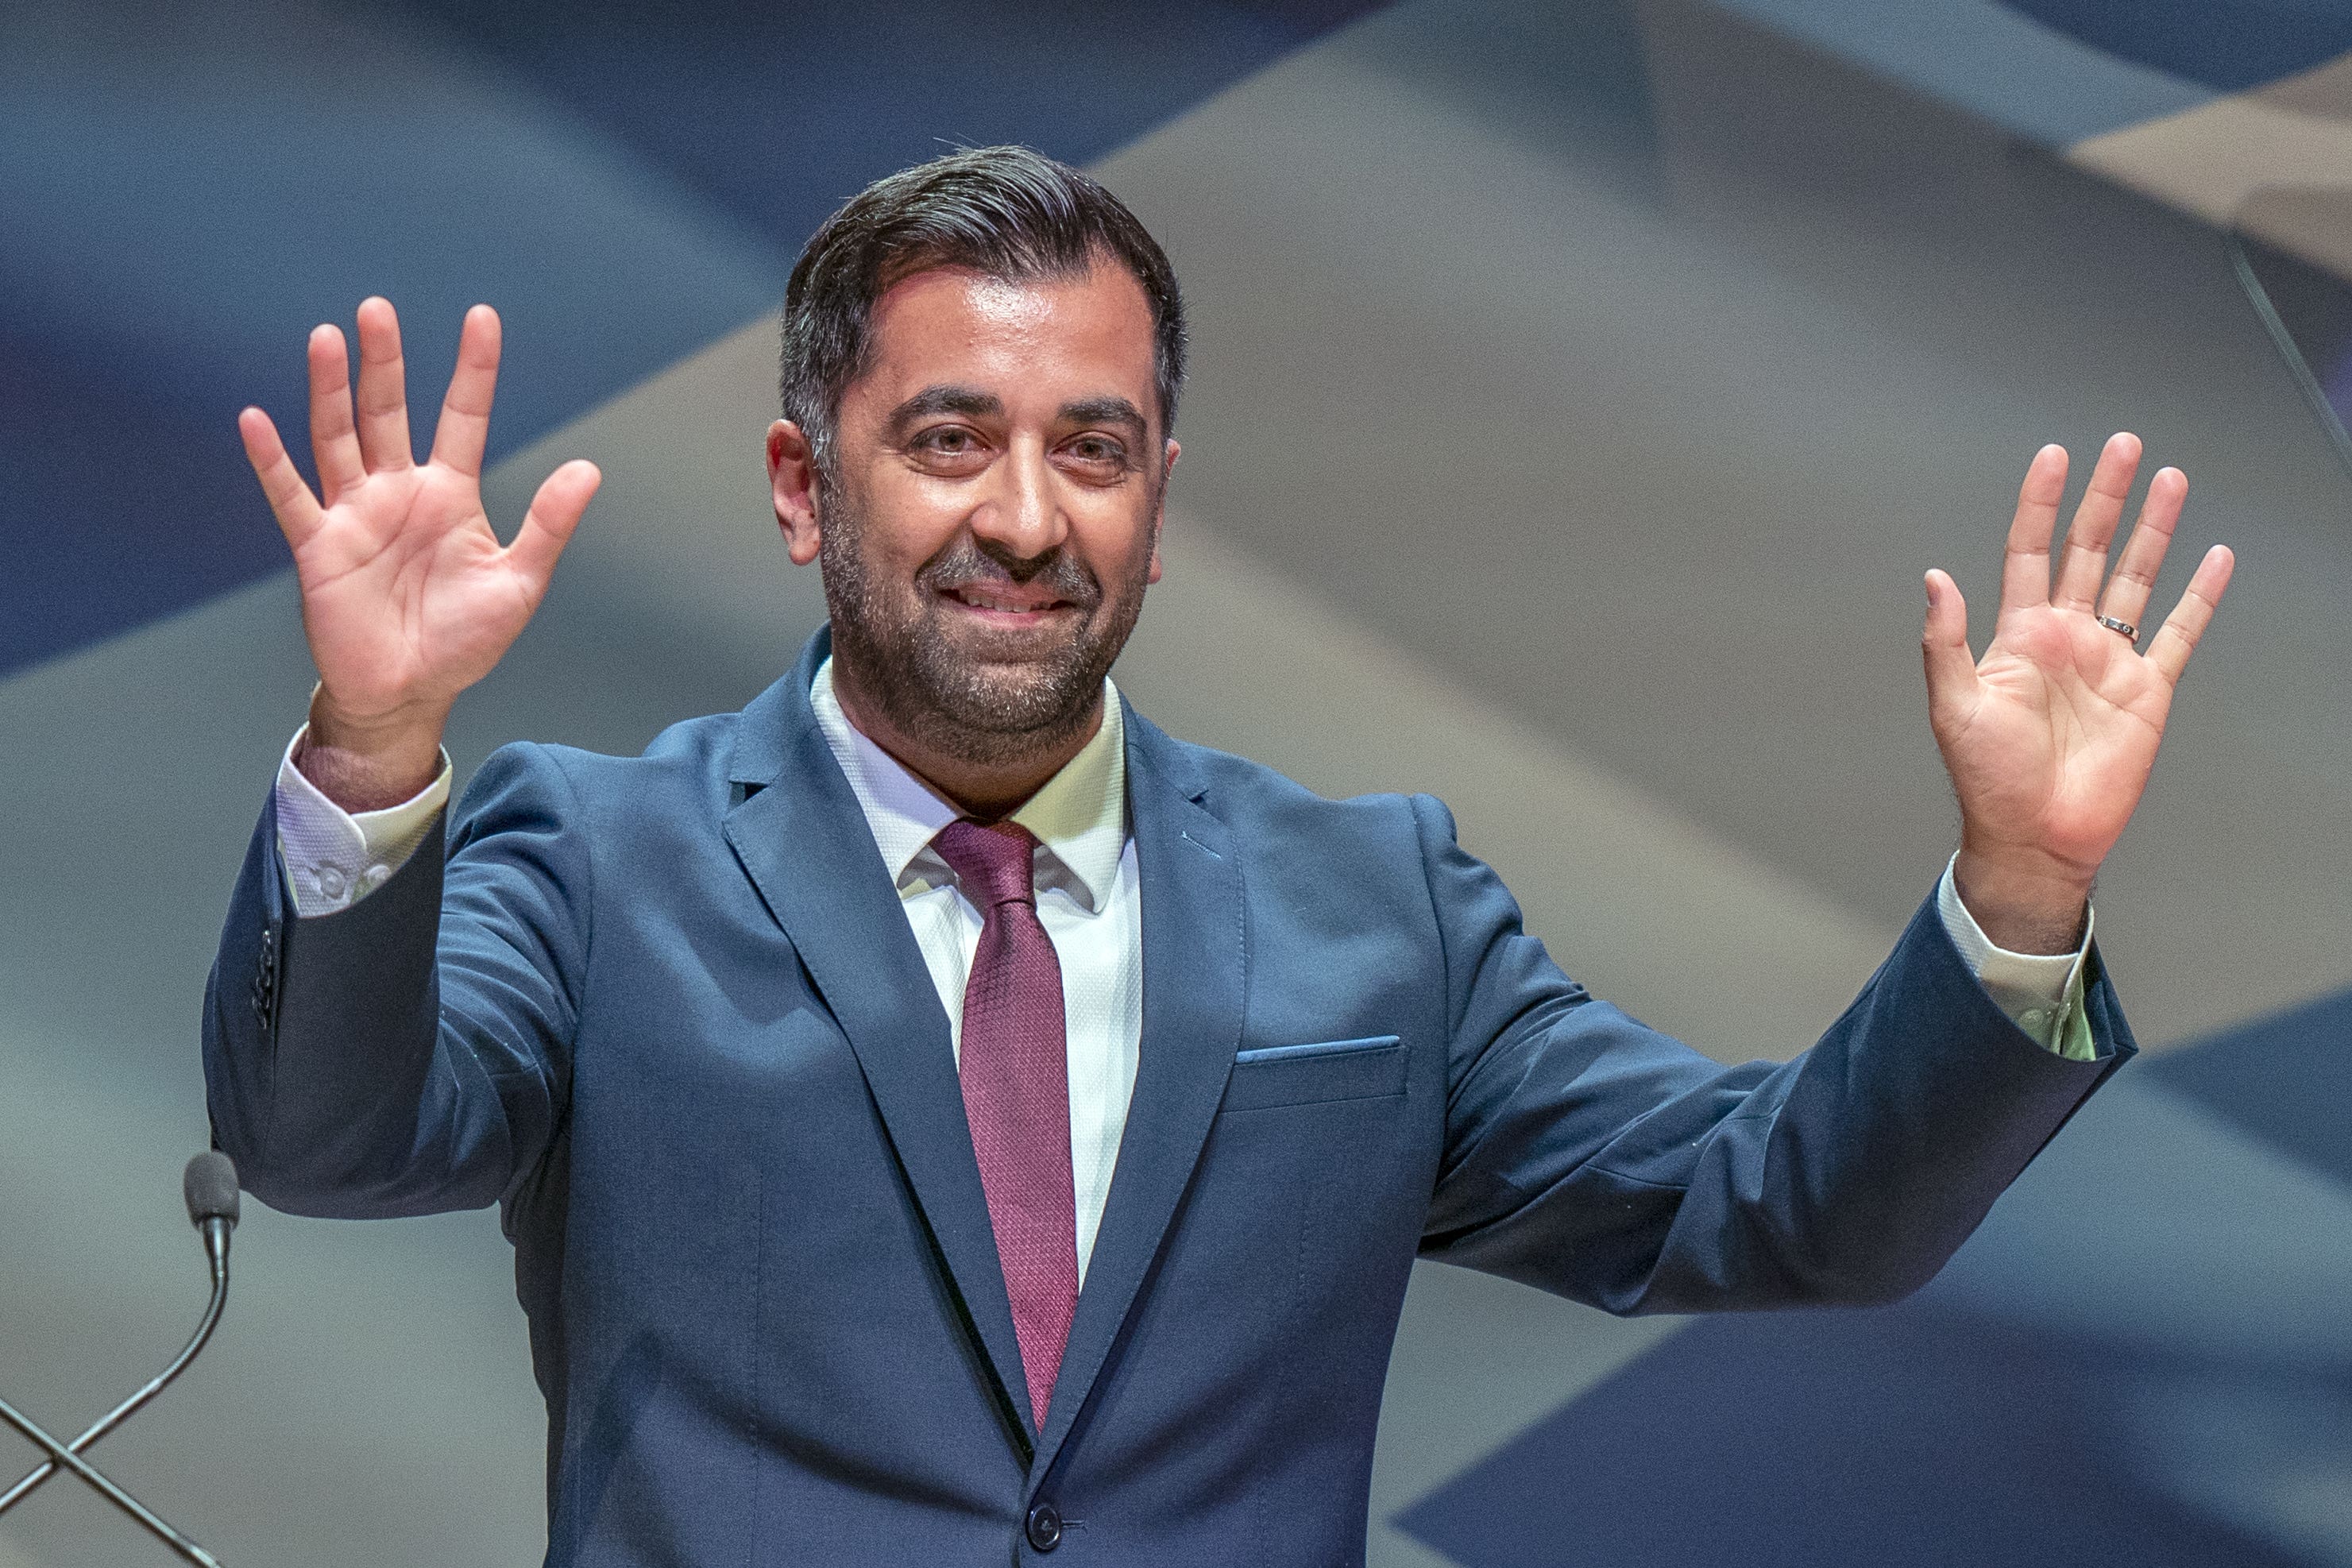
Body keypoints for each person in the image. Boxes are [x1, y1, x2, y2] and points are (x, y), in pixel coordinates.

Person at [204, 146, 2233, 1566]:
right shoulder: (596, 853)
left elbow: (1786, 1208)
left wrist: (2020, 892)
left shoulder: (1375, 908)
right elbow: (324, 1142)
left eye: (1091, 448)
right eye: (944, 439)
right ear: (797, 484)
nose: (1024, 516)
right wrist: (380, 740)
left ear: (1158, 502)